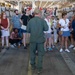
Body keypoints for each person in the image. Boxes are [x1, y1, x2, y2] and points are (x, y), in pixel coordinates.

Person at [27, 8, 48, 74]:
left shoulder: (30, 21)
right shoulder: (42, 21)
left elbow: (28, 30)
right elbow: (46, 29)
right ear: (39, 14)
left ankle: (33, 66)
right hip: (40, 40)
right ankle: (39, 68)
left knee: (32, 53)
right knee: (40, 54)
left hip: (32, 39)